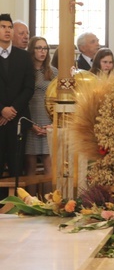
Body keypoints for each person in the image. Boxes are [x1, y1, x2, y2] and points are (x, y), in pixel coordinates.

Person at [0, 14, 35, 198]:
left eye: (9, 27)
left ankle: (15, 204)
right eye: (3, 27)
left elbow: (29, 87)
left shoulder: (23, 56)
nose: (7, 30)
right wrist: (1, 110)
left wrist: (11, 110)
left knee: (16, 166)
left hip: (17, 119)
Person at [25, 36, 57, 186]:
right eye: (38, 48)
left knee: (48, 165)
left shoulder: (53, 72)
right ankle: (31, 204)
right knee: (30, 166)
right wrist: (30, 124)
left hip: (48, 120)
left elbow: (58, 98)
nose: (42, 51)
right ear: (32, 50)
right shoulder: (25, 71)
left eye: (45, 48)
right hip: (31, 117)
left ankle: (49, 202)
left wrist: (53, 124)